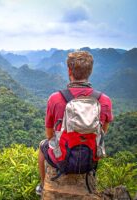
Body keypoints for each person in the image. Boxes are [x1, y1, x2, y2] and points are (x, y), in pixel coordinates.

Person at [36, 51, 113, 195]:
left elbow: (49, 135)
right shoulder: (104, 100)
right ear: (90, 71)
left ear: (69, 70)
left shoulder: (55, 98)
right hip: (89, 159)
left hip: (62, 158)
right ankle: (90, 180)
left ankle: (42, 187)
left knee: (42, 145)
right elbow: (103, 133)